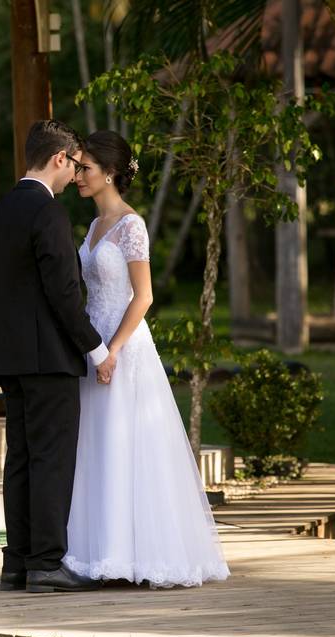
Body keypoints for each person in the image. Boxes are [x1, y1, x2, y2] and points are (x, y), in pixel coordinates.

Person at [66, 130, 230, 588]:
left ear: (110, 173)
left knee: (126, 445)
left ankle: (135, 556)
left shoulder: (131, 226)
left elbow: (143, 297)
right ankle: (99, 552)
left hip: (124, 348)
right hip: (93, 345)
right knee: (97, 447)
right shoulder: (94, 226)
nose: (79, 175)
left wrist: (113, 350)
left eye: (86, 168)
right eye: (77, 168)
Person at [0, 120, 115, 593]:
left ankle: (15, 562)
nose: (75, 173)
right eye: (74, 163)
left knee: (20, 459)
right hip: (50, 358)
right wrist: (95, 350)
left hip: (9, 356)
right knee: (52, 461)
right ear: (59, 158)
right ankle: (47, 563)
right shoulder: (49, 213)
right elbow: (64, 292)